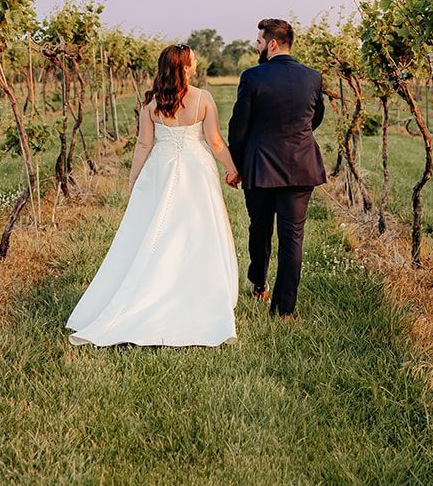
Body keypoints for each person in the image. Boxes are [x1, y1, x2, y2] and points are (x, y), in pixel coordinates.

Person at [66, 44, 241, 346]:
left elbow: (144, 145)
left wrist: (135, 177)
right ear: (184, 67)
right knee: (197, 232)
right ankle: (196, 295)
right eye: (193, 62)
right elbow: (214, 141)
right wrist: (232, 168)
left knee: (154, 232)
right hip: (195, 170)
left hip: (160, 169)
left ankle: (150, 290)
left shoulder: (151, 104)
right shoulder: (203, 99)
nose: (196, 64)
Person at [227, 18, 326, 319]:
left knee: (259, 229)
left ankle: (259, 283)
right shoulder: (313, 77)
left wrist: (237, 163)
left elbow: (238, 126)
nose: (256, 46)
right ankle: (284, 310)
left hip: (260, 166)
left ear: (271, 44)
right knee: (292, 237)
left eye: (258, 41)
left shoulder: (253, 77)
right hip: (301, 165)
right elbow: (315, 118)